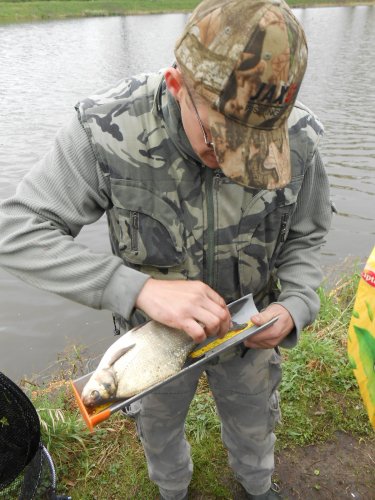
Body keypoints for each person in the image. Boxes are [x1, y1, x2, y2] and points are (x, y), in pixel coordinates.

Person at [0, 0, 332, 498]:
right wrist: (135, 288)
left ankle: (257, 487)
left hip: (250, 332)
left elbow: (306, 233)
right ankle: (174, 489)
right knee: (158, 431)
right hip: (148, 346)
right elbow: (16, 230)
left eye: (257, 147)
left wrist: (297, 304)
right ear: (178, 87)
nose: (234, 165)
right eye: (220, 142)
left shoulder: (297, 137)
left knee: (255, 425)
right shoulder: (103, 131)